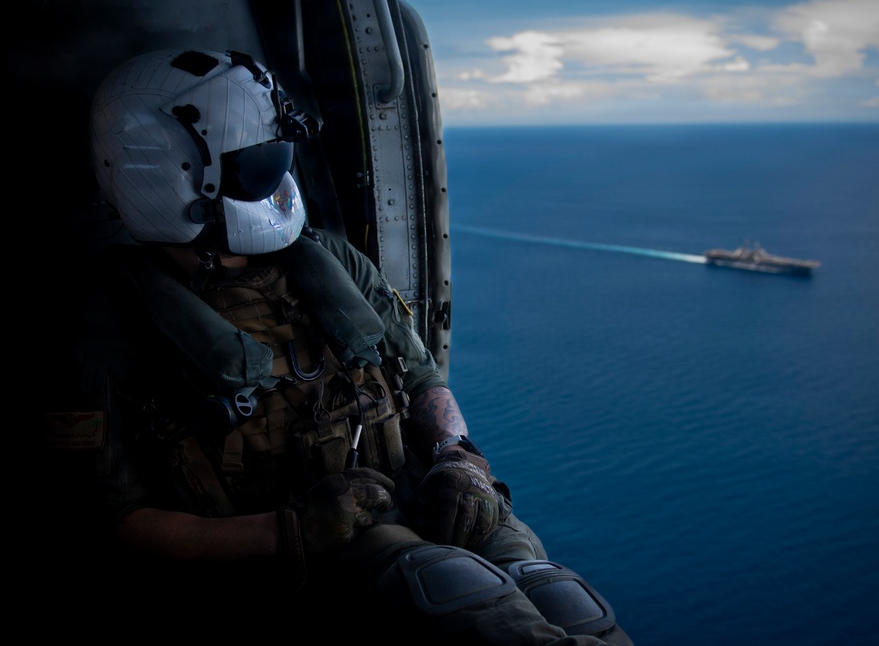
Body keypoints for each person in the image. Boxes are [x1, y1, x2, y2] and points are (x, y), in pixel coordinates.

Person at [50, 48, 632, 644]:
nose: (275, 180)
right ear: (163, 171)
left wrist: (460, 460)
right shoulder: (106, 319)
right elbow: (113, 520)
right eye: (254, 166)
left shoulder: (329, 261)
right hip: (294, 557)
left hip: (414, 496)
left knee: (556, 595)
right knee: (458, 592)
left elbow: (421, 377)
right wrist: (287, 533)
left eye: (275, 159)